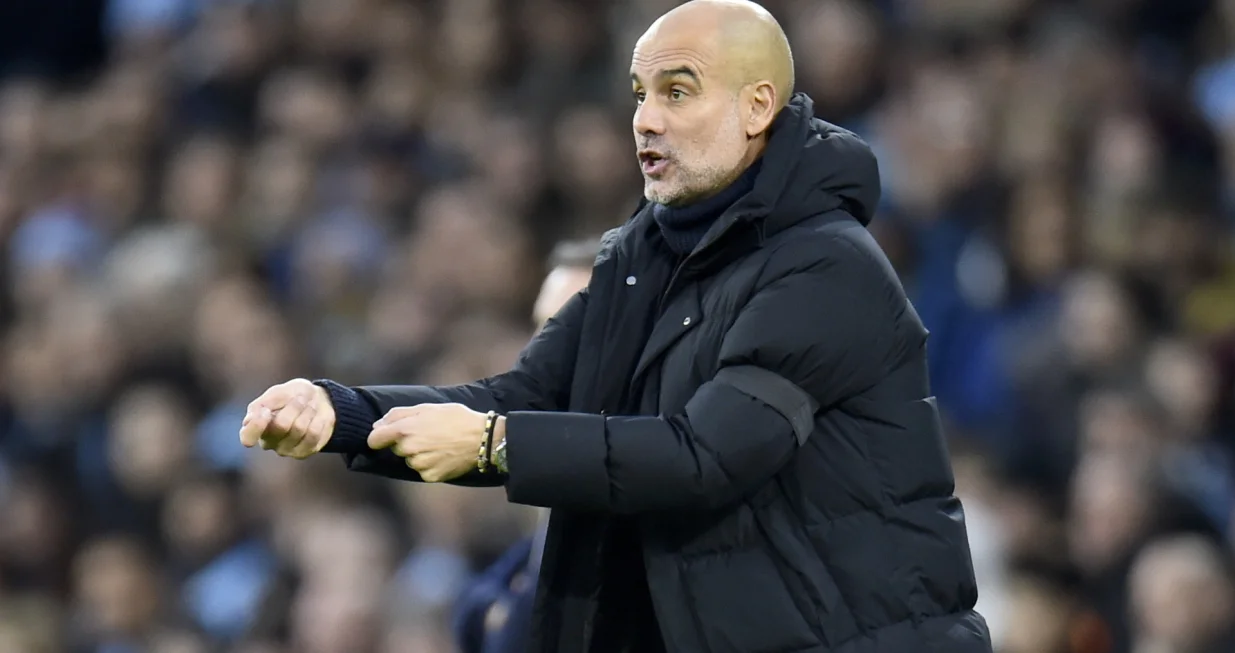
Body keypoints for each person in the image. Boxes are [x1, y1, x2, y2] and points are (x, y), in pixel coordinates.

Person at [239, 1, 993, 651]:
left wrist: (499, 444)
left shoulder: (826, 266)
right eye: (638, 93)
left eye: (677, 90)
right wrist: (341, 414)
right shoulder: (639, 255)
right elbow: (524, 391)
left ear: (757, 106)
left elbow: (704, 455)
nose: (645, 119)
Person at [451, 237, 600, 653]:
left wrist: (505, 612)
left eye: (565, 328)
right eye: (540, 326)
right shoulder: (552, 463)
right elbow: (478, 608)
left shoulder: (651, 476)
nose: (538, 352)